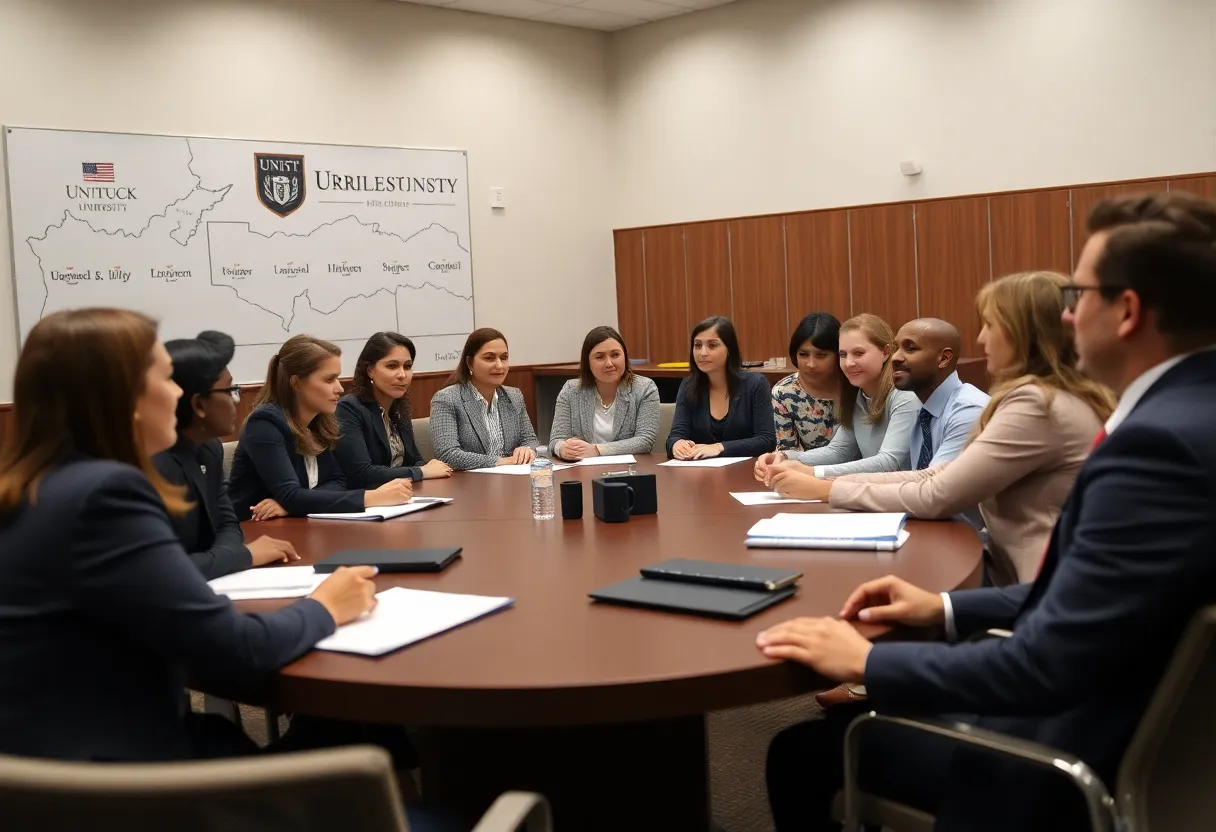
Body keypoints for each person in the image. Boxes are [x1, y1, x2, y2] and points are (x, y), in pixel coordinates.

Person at [759, 192, 1216, 832]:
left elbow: (1045, 662)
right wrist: (944, 608)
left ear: (1128, 311)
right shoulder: (1188, 415)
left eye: (1077, 296)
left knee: (801, 752)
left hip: (1063, 754)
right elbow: (1079, 596)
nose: (1067, 315)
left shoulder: (1156, 446)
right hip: (1143, 721)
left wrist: (870, 662)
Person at [768, 277, 1112, 586]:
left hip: (1036, 587)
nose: (980, 337)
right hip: (1013, 568)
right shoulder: (1041, 397)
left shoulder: (1035, 404)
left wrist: (826, 489)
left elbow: (937, 493)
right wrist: (823, 482)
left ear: (1027, 333)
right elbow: (933, 475)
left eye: (990, 324)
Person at [153, 331, 299, 580]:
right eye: (230, 389)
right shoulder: (147, 464)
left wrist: (225, 559)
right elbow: (157, 571)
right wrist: (241, 556)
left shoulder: (209, 447)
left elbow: (226, 523)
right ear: (199, 404)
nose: (236, 401)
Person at [227, 335, 413, 521]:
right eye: (329, 379)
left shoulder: (318, 421)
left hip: (301, 525)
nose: (340, 388)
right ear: (296, 383)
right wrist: (372, 497)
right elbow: (291, 494)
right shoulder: (264, 423)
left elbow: (338, 481)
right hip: (253, 533)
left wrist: (293, 504)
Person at [754, 314, 918, 480]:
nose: (848, 363)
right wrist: (784, 457)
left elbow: (889, 462)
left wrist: (813, 472)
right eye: (843, 354)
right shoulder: (859, 393)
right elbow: (839, 451)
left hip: (906, 498)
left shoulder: (904, 395)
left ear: (885, 352)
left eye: (859, 353)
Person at [335, 332, 453, 486]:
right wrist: (422, 472)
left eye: (408, 366)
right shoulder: (349, 408)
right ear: (369, 370)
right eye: (392, 366)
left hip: (404, 494)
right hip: (369, 500)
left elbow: (415, 459)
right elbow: (361, 473)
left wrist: (426, 469)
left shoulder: (398, 407)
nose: (402, 375)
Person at [665, 316, 776, 459]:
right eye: (697, 345)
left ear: (729, 349)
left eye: (712, 345)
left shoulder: (755, 383)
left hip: (746, 472)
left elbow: (766, 440)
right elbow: (675, 435)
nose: (702, 353)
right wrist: (677, 444)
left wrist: (719, 447)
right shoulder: (688, 385)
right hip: (700, 474)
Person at [429, 328, 539, 470]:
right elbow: (448, 454)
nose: (499, 365)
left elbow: (530, 440)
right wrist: (501, 461)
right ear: (469, 363)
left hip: (512, 478)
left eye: (504, 358)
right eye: (489, 358)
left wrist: (526, 449)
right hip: (467, 484)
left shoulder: (514, 396)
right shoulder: (447, 399)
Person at [549, 326, 661, 459]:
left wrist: (597, 450)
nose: (609, 363)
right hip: (582, 471)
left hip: (630, 471)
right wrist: (562, 448)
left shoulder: (644, 388)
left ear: (624, 356)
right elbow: (556, 440)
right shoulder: (571, 390)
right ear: (587, 362)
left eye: (615, 355)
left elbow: (645, 441)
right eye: (600, 357)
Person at [771, 313, 843, 453]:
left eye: (821, 355)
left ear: (839, 354)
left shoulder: (854, 383)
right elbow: (788, 450)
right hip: (809, 469)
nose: (811, 364)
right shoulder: (785, 392)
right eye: (803, 354)